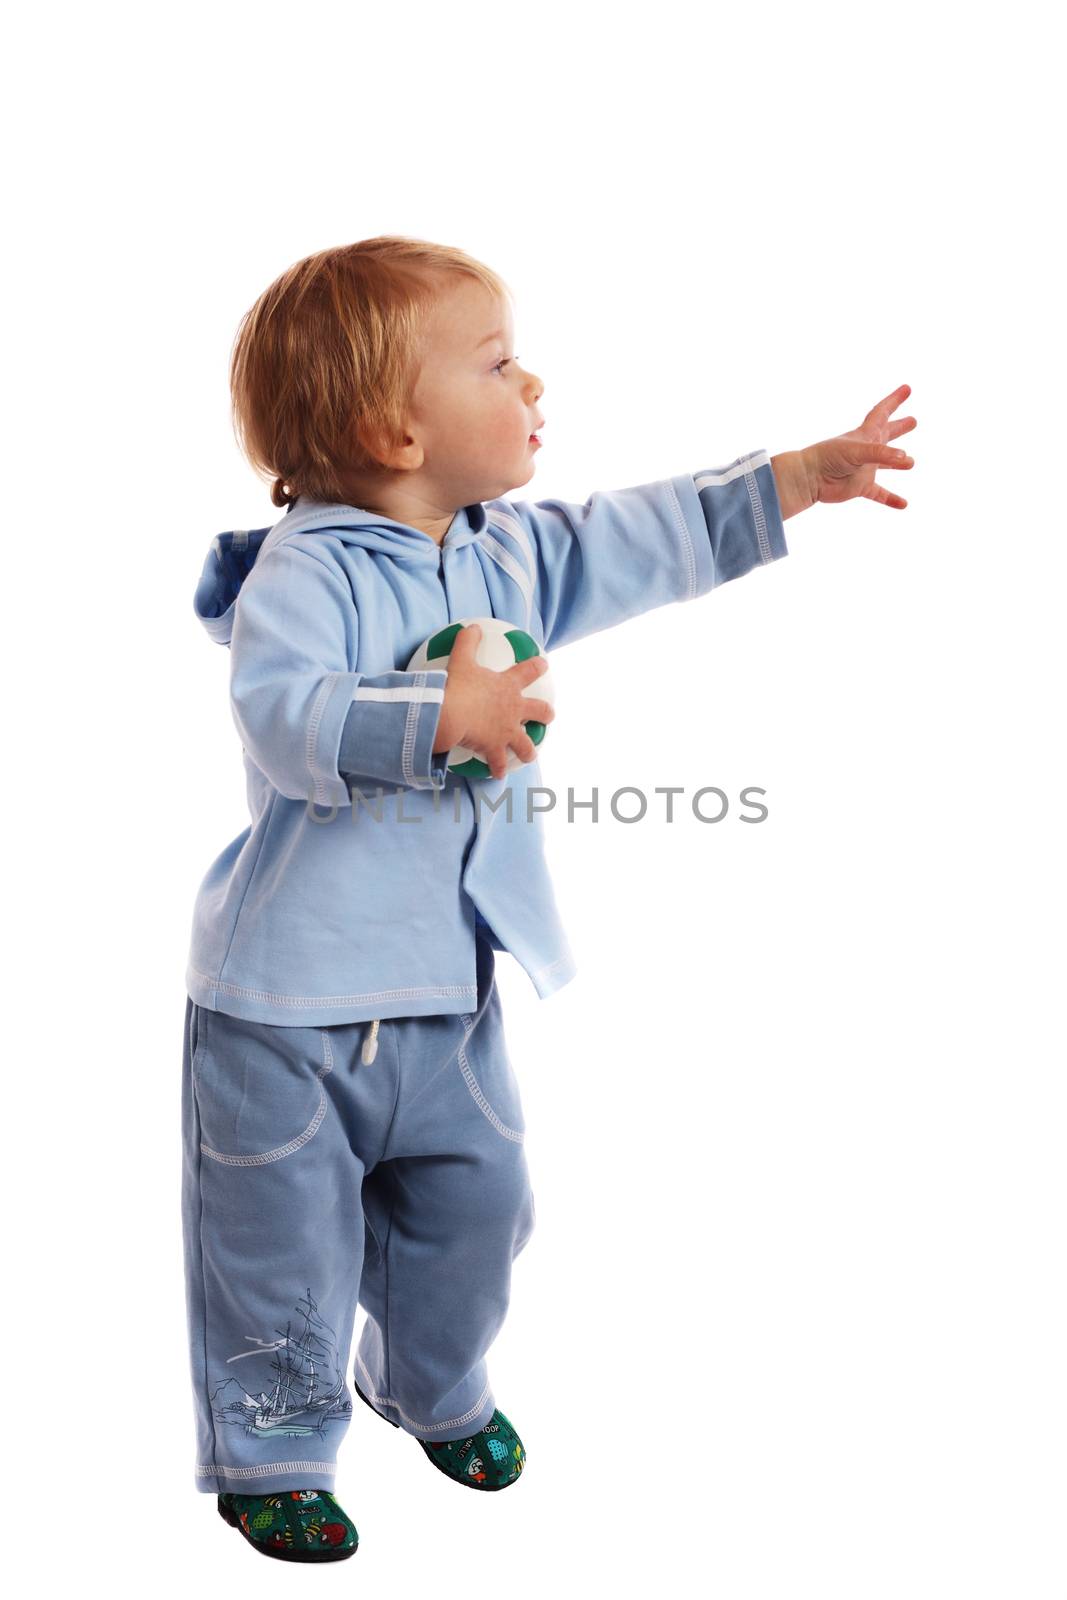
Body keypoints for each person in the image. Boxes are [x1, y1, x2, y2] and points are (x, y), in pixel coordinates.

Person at [182, 235, 917, 1562]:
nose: (534, 382)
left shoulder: (504, 552)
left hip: (449, 993)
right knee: (280, 1252)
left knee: (478, 1208)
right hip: (288, 1014)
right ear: (385, 426)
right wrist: (433, 711)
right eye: (498, 361)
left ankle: (427, 1385)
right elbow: (285, 717)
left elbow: (633, 535)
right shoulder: (314, 571)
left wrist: (798, 480)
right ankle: (277, 1452)